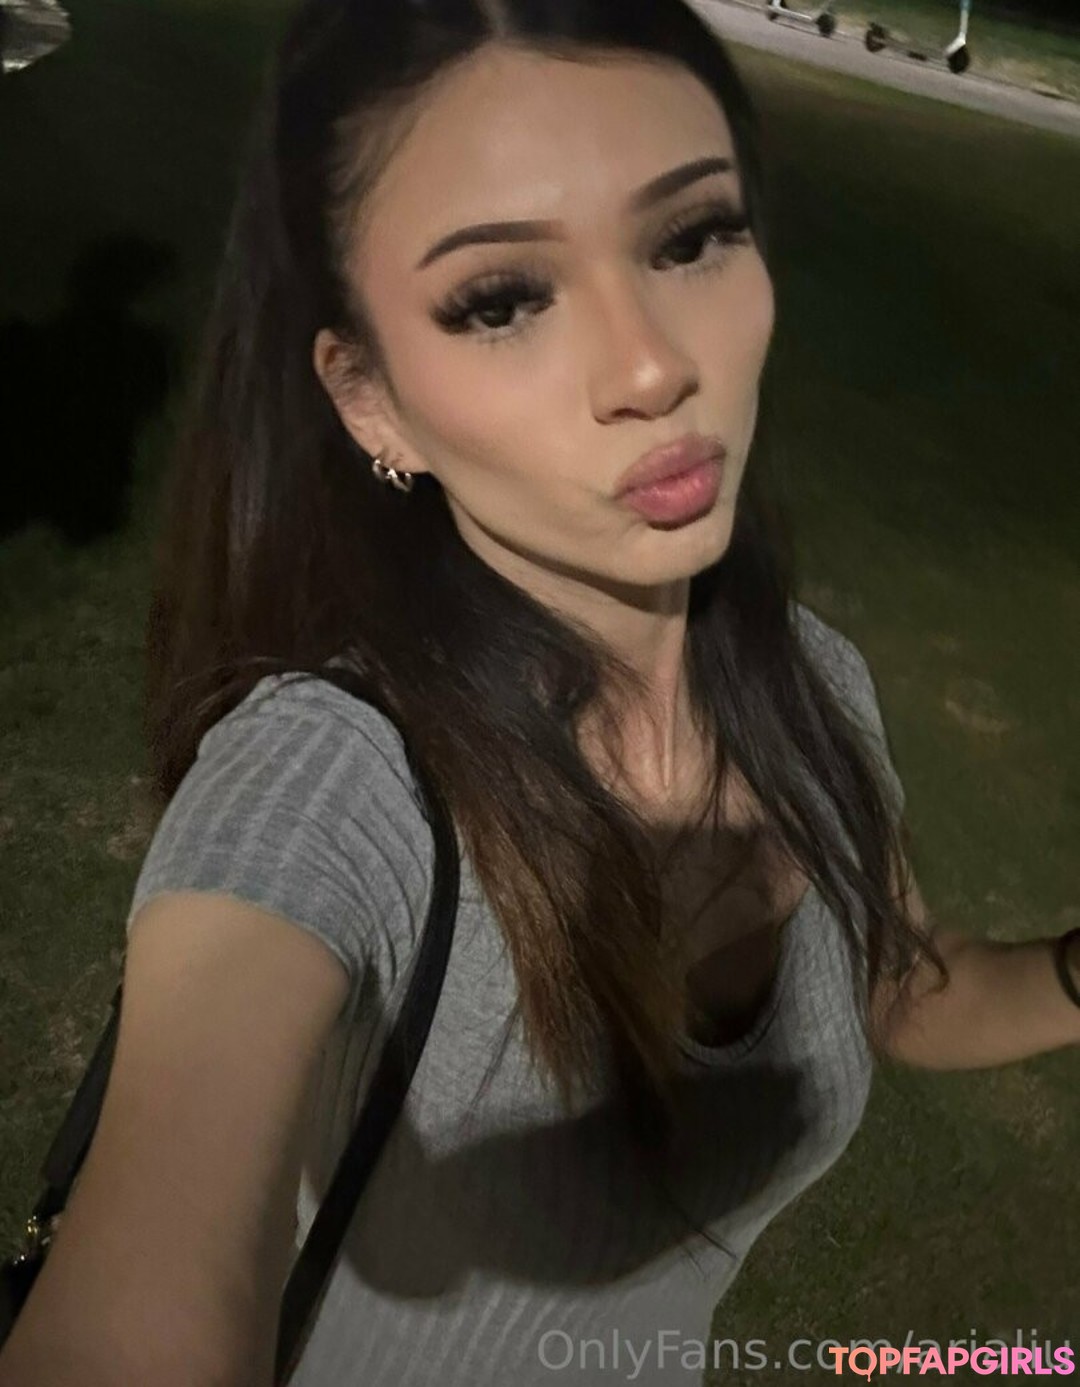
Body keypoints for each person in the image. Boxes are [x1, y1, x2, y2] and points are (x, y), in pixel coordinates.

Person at [1, 0, 1077, 1384]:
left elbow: (911, 990)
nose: (654, 366)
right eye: (502, 300)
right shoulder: (330, 781)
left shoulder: (816, 685)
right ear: (370, 401)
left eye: (690, 237)